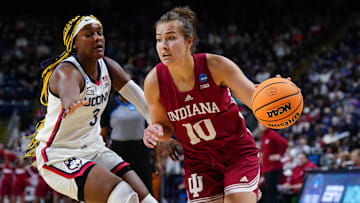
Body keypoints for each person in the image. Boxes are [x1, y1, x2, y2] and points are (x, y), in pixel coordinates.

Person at [24, 15, 157, 203]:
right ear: (75, 43)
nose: (97, 38)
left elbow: (142, 102)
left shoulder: (109, 67)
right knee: (123, 195)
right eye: (88, 35)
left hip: (95, 149)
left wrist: (162, 131)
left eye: (99, 33)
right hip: (59, 155)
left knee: (147, 200)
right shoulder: (66, 71)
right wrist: (71, 102)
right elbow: (67, 89)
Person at [142, 6, 261, 203]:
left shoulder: (216, 66)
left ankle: (243, 190)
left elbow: (255, 99)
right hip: (199, 162)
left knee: (235, 200)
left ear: (189, 41)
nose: (163, 45)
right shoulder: (154, 81)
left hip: (235, 152)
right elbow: (165, 129)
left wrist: (274, 93)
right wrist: (155, 130)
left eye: (171, 38)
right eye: (159, 39)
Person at [100, 91, 158, 194]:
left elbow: (153, 131)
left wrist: (157, 160)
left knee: (146, 189)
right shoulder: (110, 106)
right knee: (121, 190)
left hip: (140, 151)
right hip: (119, 152)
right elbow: (102, 136)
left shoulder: (141, 103)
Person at [258, 122, 288, 203]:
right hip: (266, 169)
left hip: (274, 168)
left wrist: (280, 155)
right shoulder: (263, 136)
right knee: (267, 194)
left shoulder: (272, 133)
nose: (262, 125)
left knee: (271, 194)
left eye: (264, 124)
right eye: (260, 123)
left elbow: (285, 143)